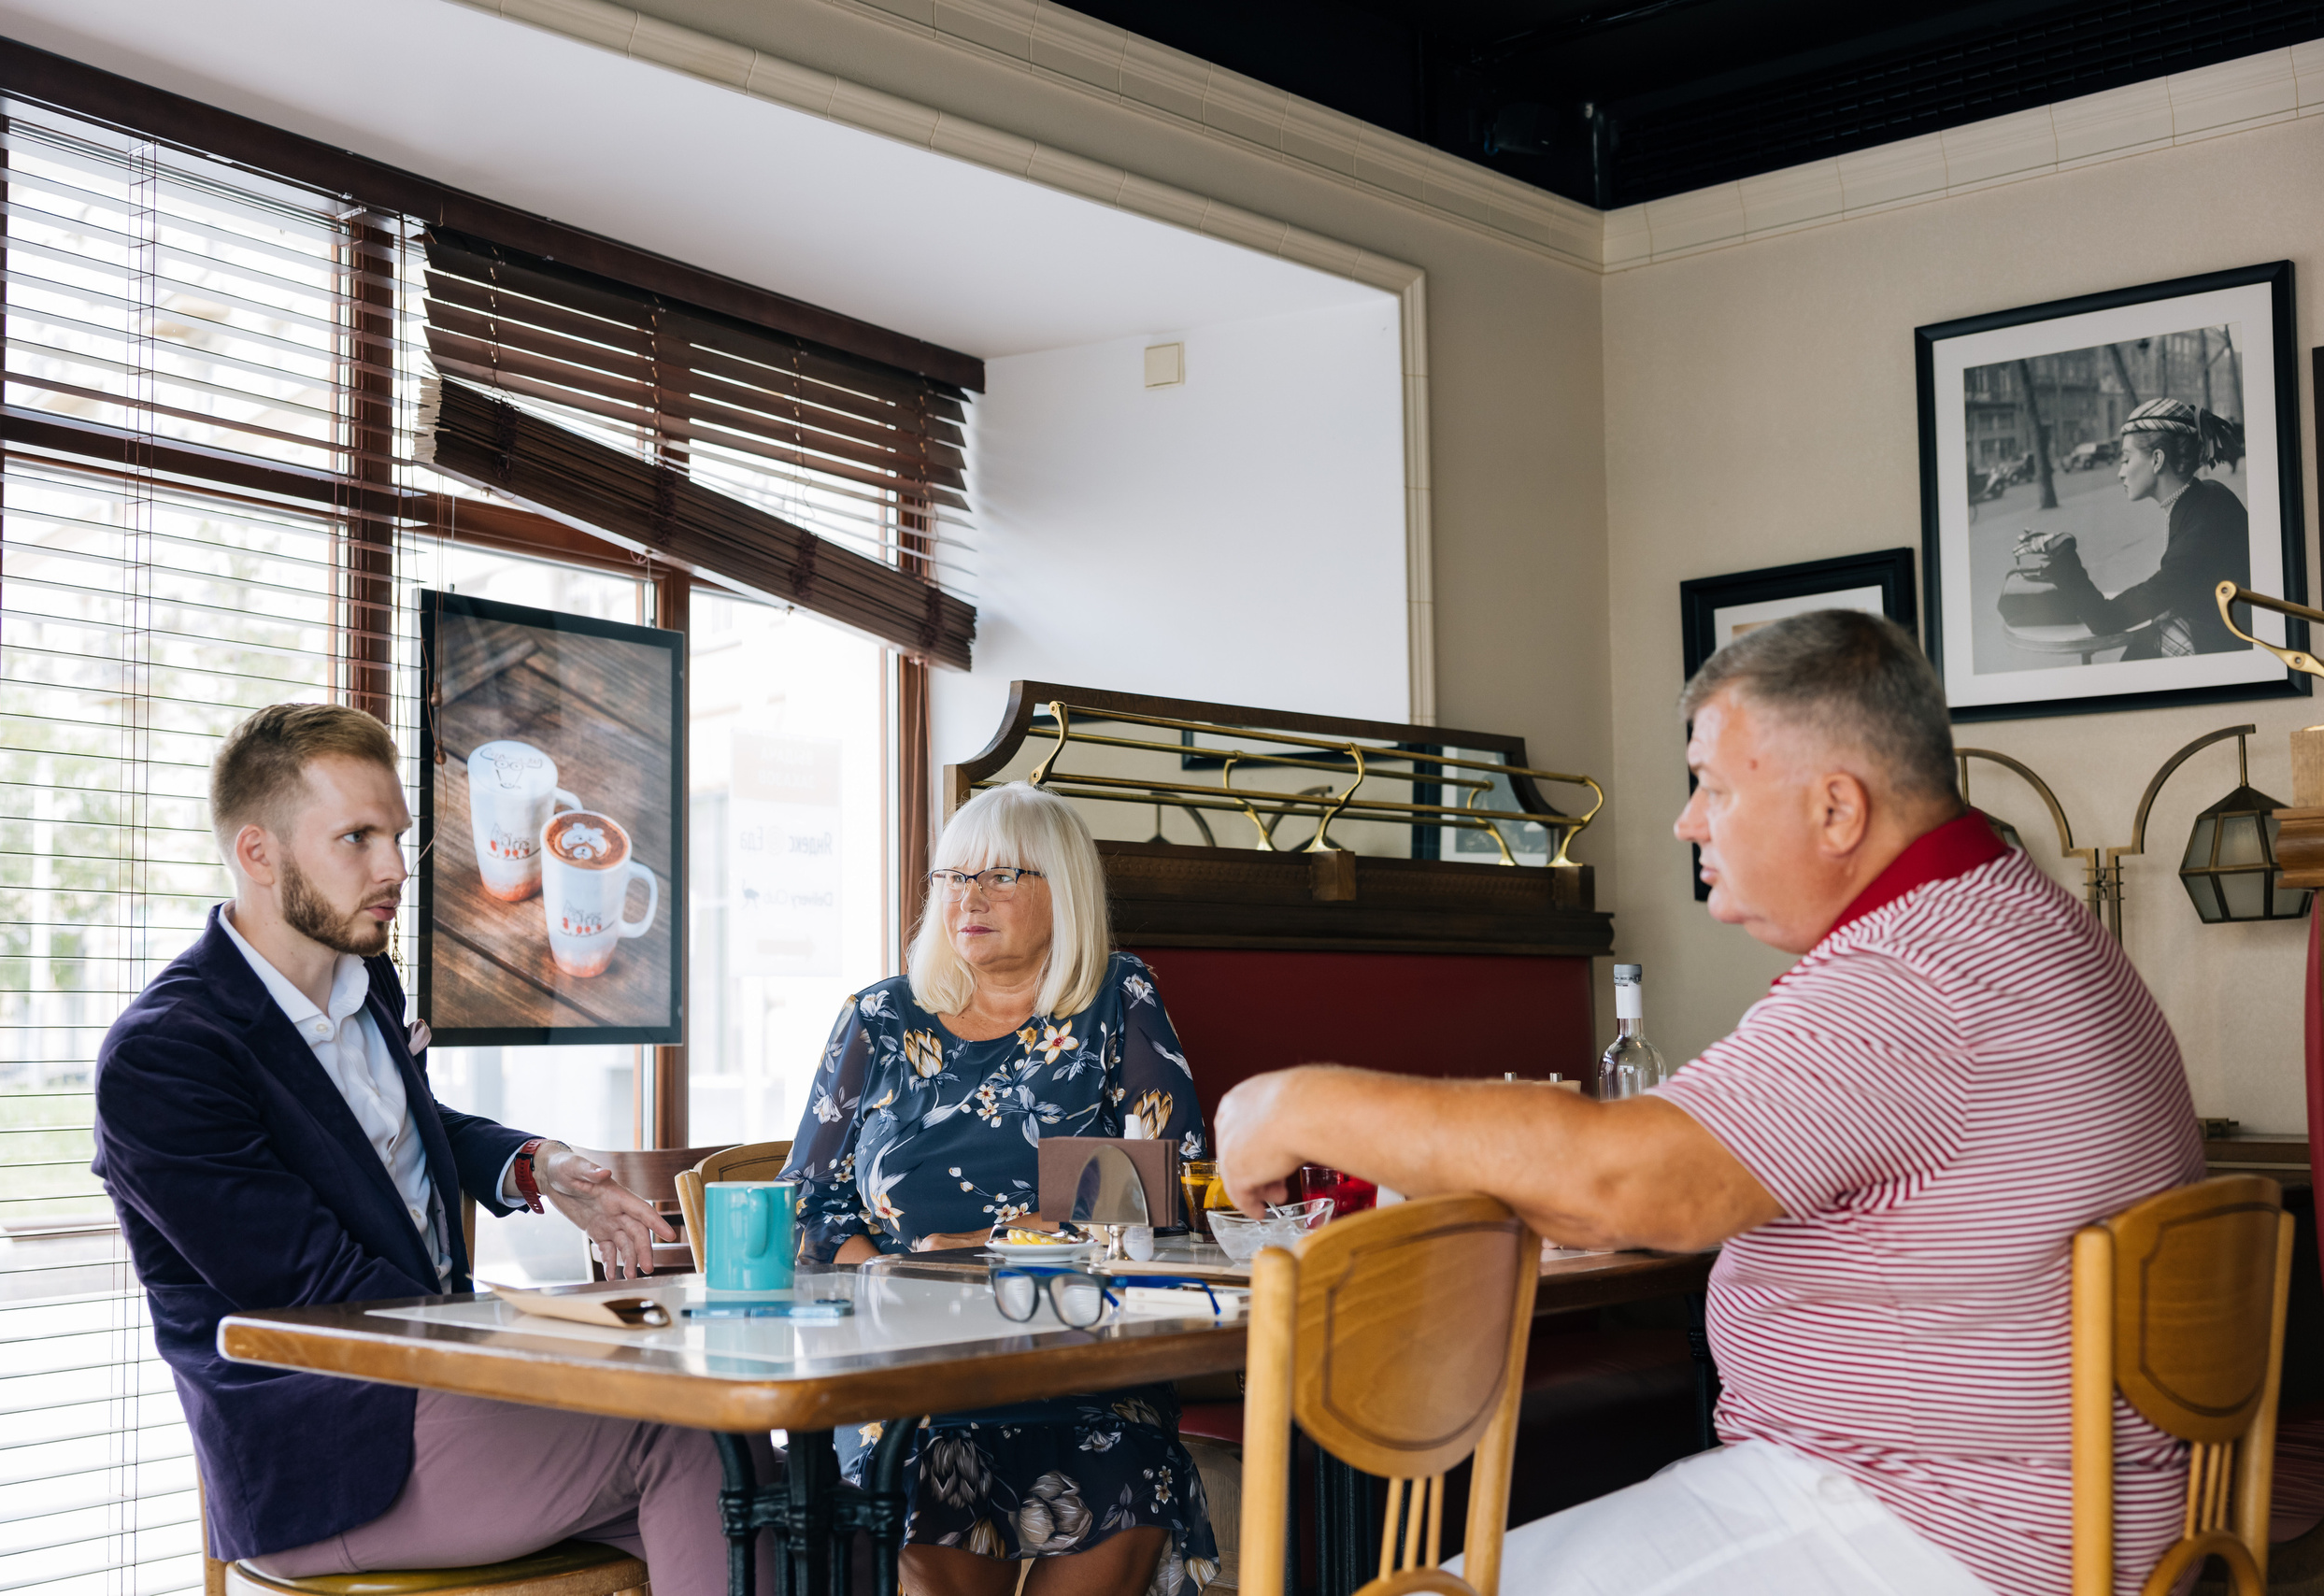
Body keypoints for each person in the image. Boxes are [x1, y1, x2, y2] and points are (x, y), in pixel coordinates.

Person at [1213, 611, 2201, 1596]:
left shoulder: (1913, 974)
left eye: (1715, 788)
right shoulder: (2014, 919)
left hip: (1941, 1525)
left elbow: (1620, 1184)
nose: (1688, 820)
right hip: (2041, 1504)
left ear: (1836, 811)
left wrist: (1294, 1102)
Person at [91, 704, 731, 1595]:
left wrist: (535, 1165)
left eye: (398, 836)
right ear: (258, 855)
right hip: (332, 1459)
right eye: (356, 838)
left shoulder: (366, 978)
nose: (395, 868)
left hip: (445, 1402)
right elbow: (315, 1294)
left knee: (760, 1490)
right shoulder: (165, 1056)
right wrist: (554, 1328)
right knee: (680, 1436)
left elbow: (386, 1130)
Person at [783, 782, 1219, 1596]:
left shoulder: (1118, 998)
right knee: (917, 1469)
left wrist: (999, 1249)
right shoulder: (878, 1018)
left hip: (1084, 1357)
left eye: (1001, 876)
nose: (967, 898)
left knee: (1132, 1461)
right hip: (907, 1372)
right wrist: (901, 1275)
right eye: (951, 878)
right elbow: (807, 1204)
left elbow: (1165, 1185)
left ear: (1065, 890)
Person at [2032, 395, 2250, 658]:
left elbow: (2105, 620)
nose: (2120, 472)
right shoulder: (2212, 493)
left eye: (2126, 459)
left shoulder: (2193, 545)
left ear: (2157, 460)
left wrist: (2061, 550)